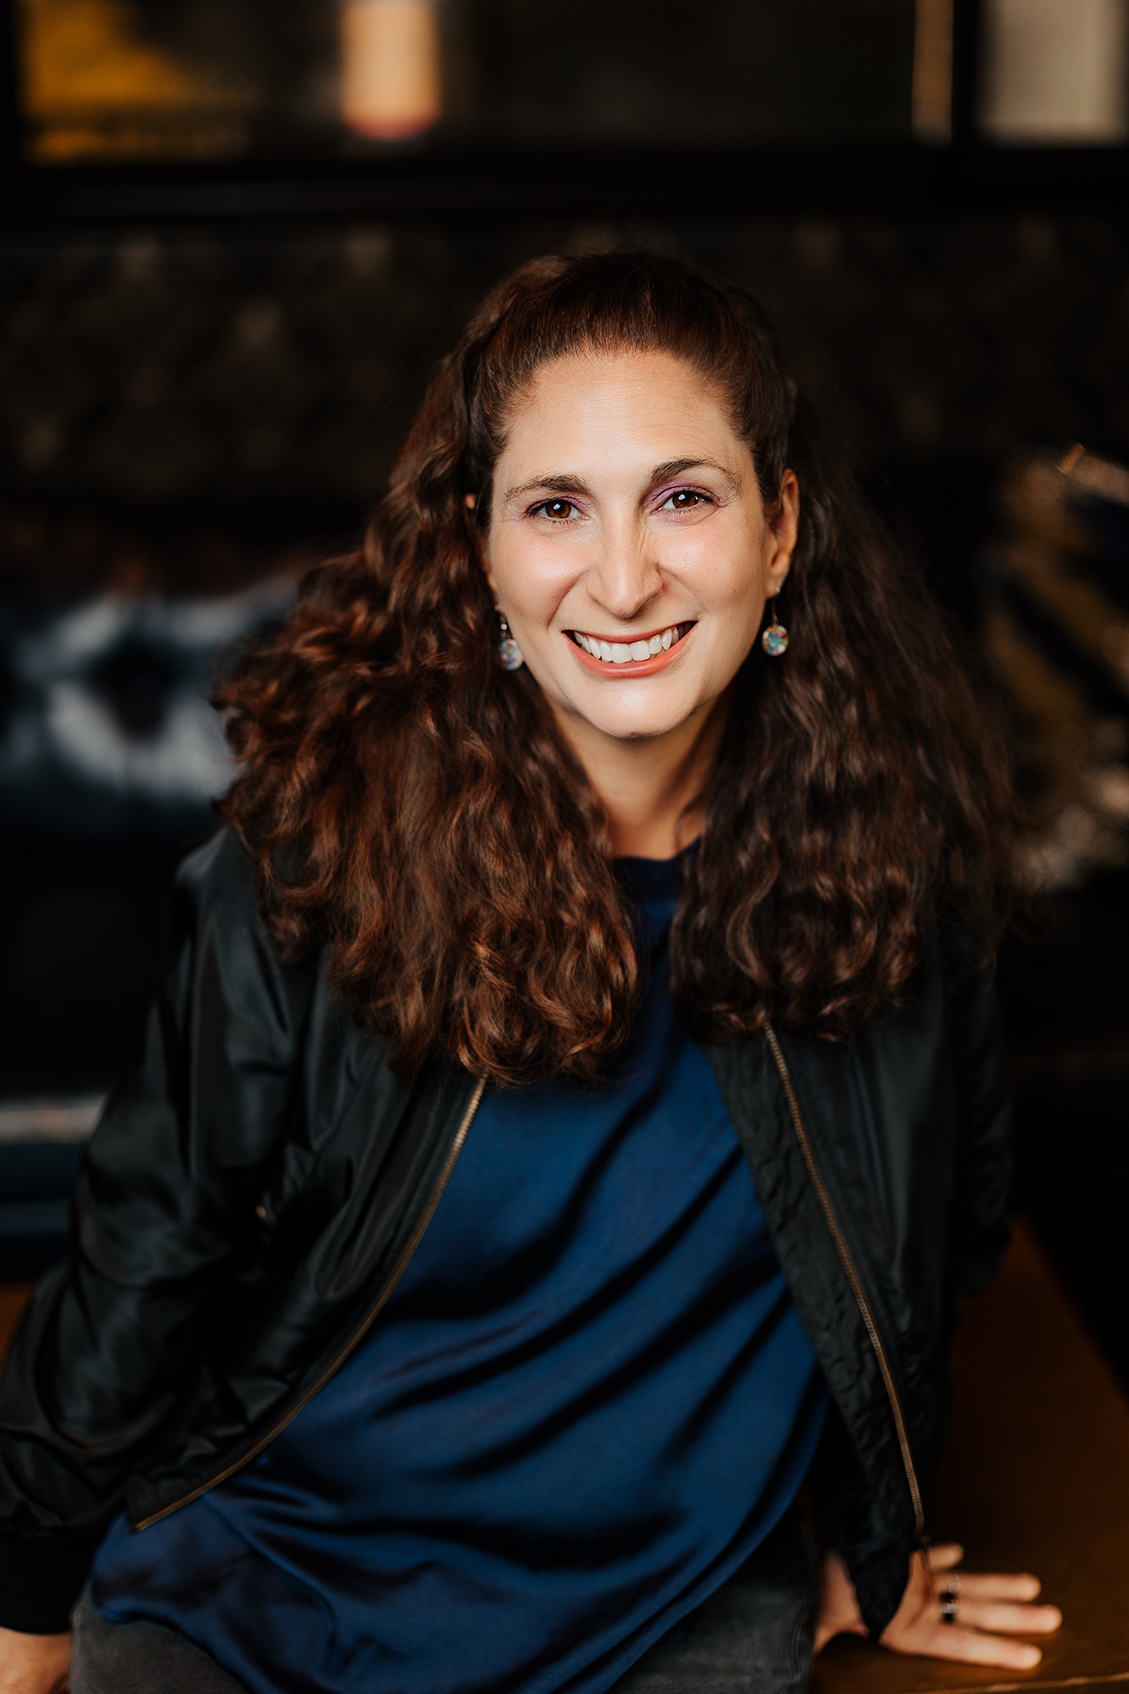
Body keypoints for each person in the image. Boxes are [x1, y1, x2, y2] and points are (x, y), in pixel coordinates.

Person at [0, 253, 1062, 1694]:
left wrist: (868, 1535)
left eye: (682, 498)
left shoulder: (898, 861)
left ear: (780, 530)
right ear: (483, 553)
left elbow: (941, 1232)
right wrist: (22, 1596)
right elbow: (148, 1245)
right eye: (556, 507)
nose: (622, 579)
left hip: (675, 1614)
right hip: (270, 1585)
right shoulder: (319, 863)